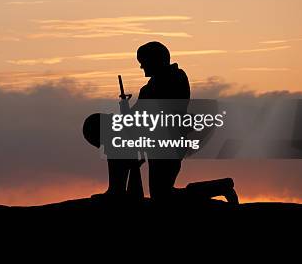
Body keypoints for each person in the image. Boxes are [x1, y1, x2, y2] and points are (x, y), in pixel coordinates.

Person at [83, 41, 238, 204]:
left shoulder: (174, 78)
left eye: (143, 62)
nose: (141, 67)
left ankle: (221, 187)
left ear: (155, 60)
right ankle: (117, 190)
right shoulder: (152, 85)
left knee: (163, 196)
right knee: (112, 133)